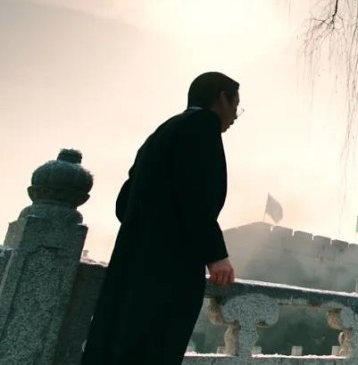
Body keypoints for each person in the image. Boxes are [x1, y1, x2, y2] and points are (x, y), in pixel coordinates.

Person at [81, 72, 241, 365]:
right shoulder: (203, 127)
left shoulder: (162, 132)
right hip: (170, 266)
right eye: (236, 105)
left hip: (132, 260)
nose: (235, 116)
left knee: (118, 344)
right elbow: (195, 195)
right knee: (155, 346)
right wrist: (216, 254)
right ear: (222, 98)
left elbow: (124, 204)